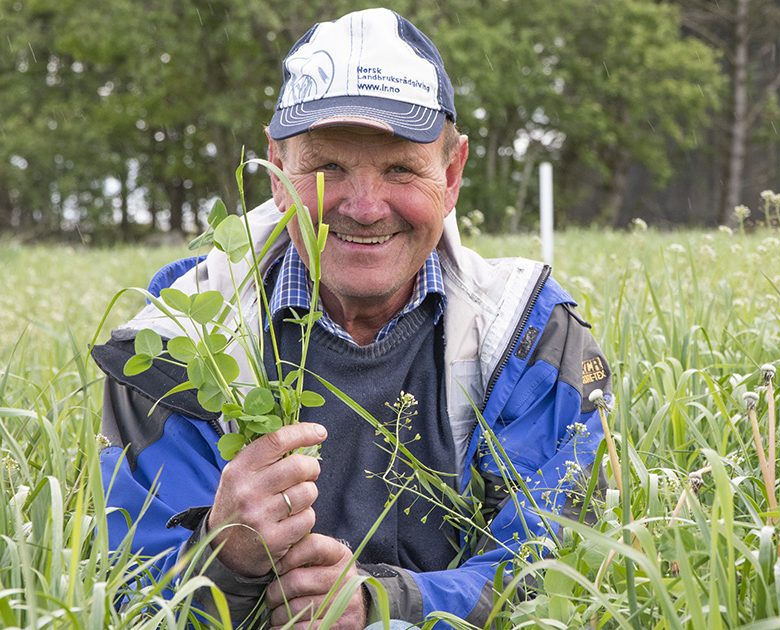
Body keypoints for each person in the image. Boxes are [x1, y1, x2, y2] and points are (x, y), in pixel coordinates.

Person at [92, 7, 610, 629]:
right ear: (277, 170)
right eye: (328, 167)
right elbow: (133, 602)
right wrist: (224, 555)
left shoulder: (530, 339)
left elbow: (555, 572)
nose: (364, 208)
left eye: (399, 169)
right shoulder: (177, 343)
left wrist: (385, 604)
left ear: (450, 174)